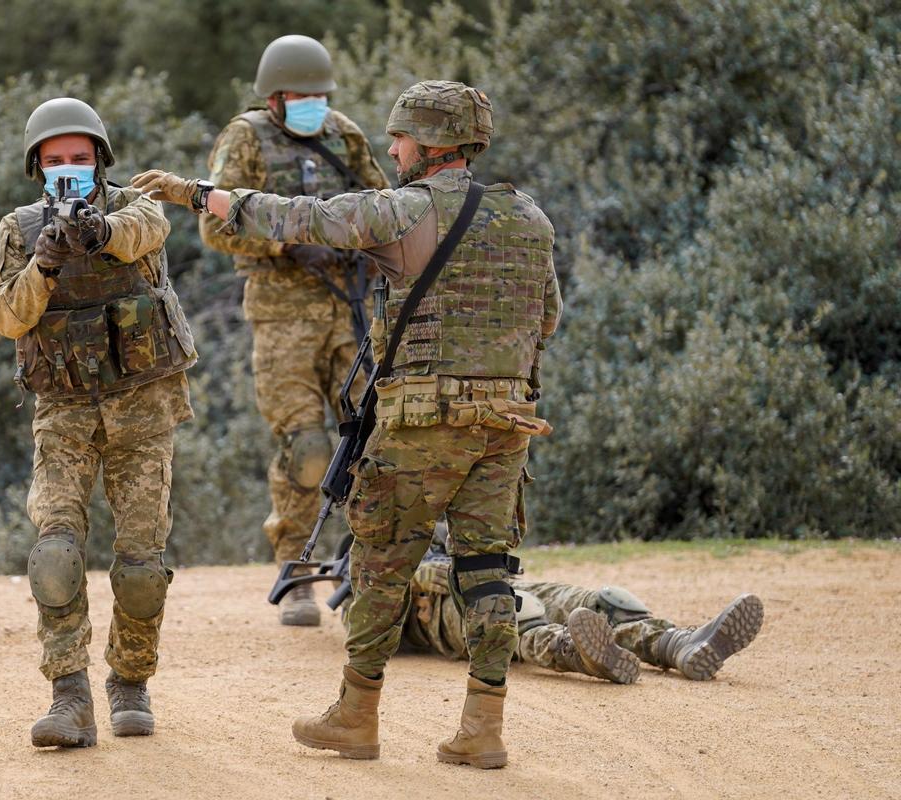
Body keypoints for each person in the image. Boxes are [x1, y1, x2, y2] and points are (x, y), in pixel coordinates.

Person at [133, 79, 562, 769]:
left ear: (431, 144)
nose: (391, 149)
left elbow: (297, 218)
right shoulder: (531, 218)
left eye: (400, 139)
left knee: (381, 566)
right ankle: (483, 728)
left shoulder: (400, 212)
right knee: (487, 570)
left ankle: (356, 717)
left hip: (423, 419)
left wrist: (198, 194)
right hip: (510, 421)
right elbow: (546, 318)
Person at [0, 97, 197, 747]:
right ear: (37, 168)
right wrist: (45, 263)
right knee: (55, 553)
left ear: (100, 161)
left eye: (80, 159)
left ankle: (130, 681)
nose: (69, 170)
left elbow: (145, 233)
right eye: (56, 162)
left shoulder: (137, 204)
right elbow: (6, 318)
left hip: (144, 405)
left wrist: (98, 234)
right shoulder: (20, 230)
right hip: (66, 410)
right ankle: (69, 695)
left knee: (139, 564)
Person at [199, 34, 389, 627]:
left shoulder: (344, 134)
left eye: (319, 94)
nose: (313, 103)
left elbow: (387, 206)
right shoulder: (247, 138)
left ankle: (371, 569)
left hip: (352, 311)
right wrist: (284, 241)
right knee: (307, 450)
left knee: (375, 441)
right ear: (274, 96)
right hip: (283, 317)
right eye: (300, 95)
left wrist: (360, 246)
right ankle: (298, 572)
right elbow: (216, 225)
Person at [404, 549, 763, 683]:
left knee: (605, 602)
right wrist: (413, 575)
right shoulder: (361, 560)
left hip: (491, 577)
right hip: (435, 611)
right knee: (518, 616)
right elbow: (363, 611)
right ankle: (579, 654)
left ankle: (676, 645)